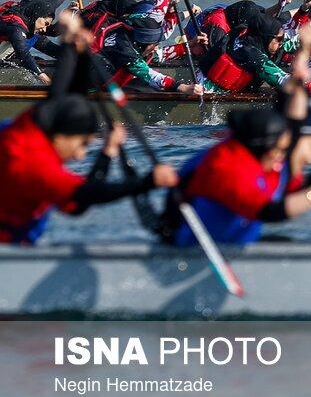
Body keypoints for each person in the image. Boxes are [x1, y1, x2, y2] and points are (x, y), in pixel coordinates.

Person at [160, 30, 311, 246]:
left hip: (230, 240)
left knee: (287, 242)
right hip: (190, 247)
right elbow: (271, 211)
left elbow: (297, 177)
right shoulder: (229, 166)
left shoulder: (270, 158)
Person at [0, 23, 178, 244]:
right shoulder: (38, 167)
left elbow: (60, 96)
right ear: (61, 136)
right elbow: (87, 196)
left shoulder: (24, 128)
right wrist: (147, 183)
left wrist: (75, 48)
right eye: (82, 144)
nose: (81, 155)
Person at [200, 11, 311, 97]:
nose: (281, 42)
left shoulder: (249, 34)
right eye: (278, 39)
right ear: (265, 38)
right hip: (208, 91)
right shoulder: (251, 55)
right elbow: (282, 79)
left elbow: (289, 43)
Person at [0, 0, 78, 83]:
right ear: (37, 15)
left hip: (19, 46)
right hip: (7, 54)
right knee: (31, 61)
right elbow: (23, 54)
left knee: (60, 53)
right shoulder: (16, 26)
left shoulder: (33, 18)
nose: (45, 29)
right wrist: (44, 77)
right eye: (45, 23)